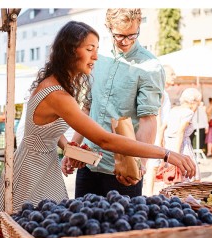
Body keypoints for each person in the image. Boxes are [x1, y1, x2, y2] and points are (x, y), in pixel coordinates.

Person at [0, 21, 195, 227]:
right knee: (32, 232)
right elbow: (104, 139)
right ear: (70, 50)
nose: (96, 56)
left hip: (41, 166)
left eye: (96, 49)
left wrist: (69, 148)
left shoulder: (55, 84)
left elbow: (44, 130)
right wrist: (165, 153)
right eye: (89, 49)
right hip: (33, 172)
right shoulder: (57, 94)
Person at [61, 9, 166, 198]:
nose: (126, 41)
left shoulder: (150, 66)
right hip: (89, 163)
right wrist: (73, 149)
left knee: (121, 227)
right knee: (82, 224)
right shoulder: (98, 58)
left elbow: (148, 120)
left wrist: (139, 165)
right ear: (108, 29)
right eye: (119, 36)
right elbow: (87, 109)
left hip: (123, 171)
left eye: (132, 35)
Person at [143, 64, 176, 195]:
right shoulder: (160, 92)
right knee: (153, 166)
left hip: (157, 132)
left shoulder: (162, 92)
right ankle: (149, 194)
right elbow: (157, 116)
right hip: (156, 133)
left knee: (153, 166)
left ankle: (148, 193)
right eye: (172, 74)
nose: (174, 77)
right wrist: (159, 139)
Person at [159, 88, 202, 182]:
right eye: (198, 103)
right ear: (193, 102)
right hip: (181, 145)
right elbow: (180, 132)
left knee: (173, 177)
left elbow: (162, 128)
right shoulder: (188, 113)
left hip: (168, 144)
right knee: (191, 176)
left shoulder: (173, 110)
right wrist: (177, 154)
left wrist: (161, 144)